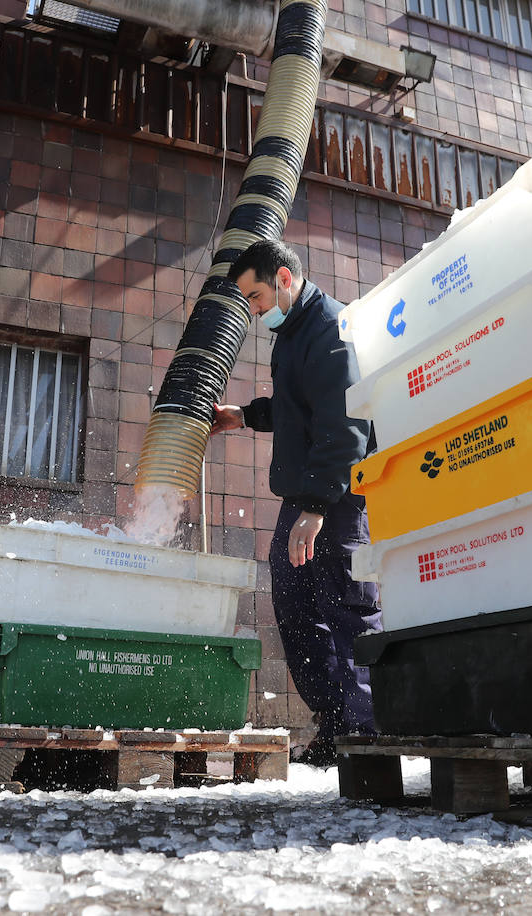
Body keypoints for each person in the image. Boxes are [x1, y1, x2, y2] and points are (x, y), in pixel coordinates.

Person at [210, 239, 380, 768]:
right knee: (297, 611)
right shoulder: (293, 332)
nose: (254, 310)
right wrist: (246, 415)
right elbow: (296, 409)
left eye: (256, 296)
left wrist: (316, 508)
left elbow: (346, 424)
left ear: (284, 278)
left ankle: (367, 734)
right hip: (308, 495)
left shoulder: (331, 329)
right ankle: (334, 723)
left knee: (344, 608)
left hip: (337, 498)